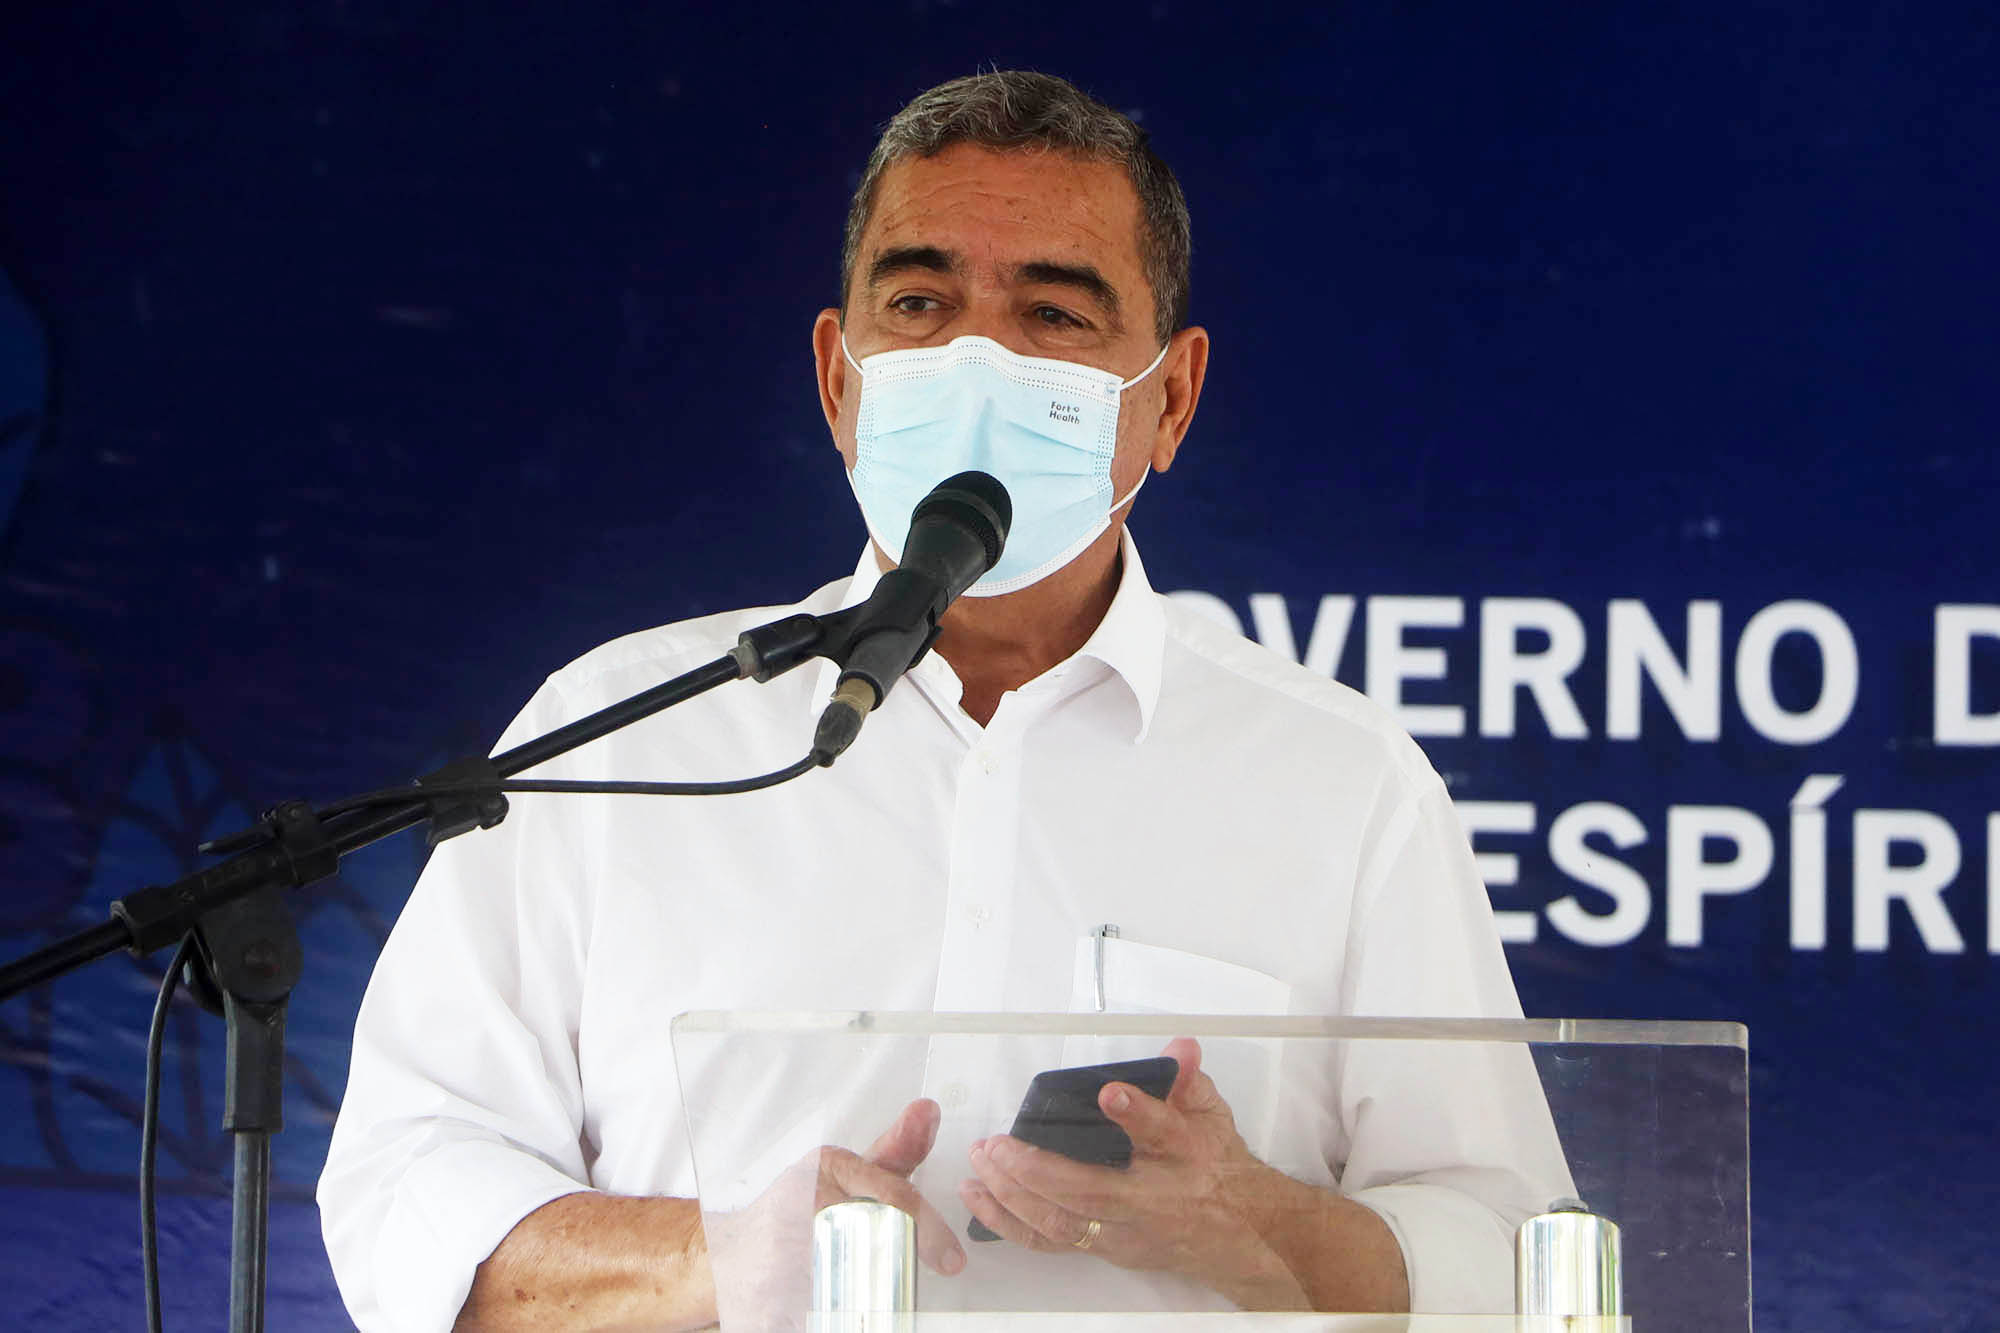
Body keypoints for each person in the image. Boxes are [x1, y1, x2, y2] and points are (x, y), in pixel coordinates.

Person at [318, 70, 1571, 1332]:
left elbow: (1518, 1256)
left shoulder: (1339, 781)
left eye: (1053, 314)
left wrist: (1257, 1224)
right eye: (918, 303)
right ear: (837, 378)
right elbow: (402, 1190)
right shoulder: (619, 731)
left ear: (1172, 400)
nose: (977, 363)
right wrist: (714, 1257)